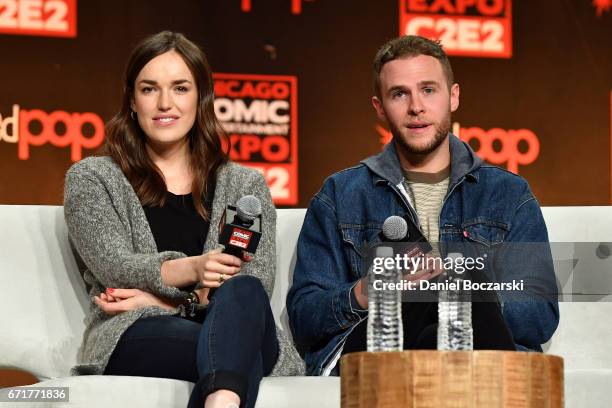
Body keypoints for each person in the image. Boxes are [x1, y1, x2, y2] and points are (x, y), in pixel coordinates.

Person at [287, 35, 559, 376]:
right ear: (379, 107)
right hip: (377, 354)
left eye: (428, 90)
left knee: (456, 297)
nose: (416, 106)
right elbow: (304, 318)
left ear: (453, 97)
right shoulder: (341, 194)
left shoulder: (508, 194)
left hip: (480, 351)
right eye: (399, 93)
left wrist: (468, 293)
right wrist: (363, 294)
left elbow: (539, 316)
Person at [64, 31, 303, 408]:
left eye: (180, 88)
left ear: (201, 98)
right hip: (137, 332)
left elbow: (252, 284)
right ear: (131, 100)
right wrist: (194, 270)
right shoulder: (93, 178)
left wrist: (169, 304)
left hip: (222, 324)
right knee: (237, 350)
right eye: (149, 89)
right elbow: (114, 267)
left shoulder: (244, 185)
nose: (164, 103)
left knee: (244, 294)